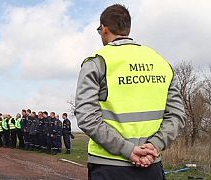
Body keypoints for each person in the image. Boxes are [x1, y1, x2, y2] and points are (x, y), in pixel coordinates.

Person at [74, 4, 185, 180]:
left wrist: (128, 150)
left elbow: (86, 116)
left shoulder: (97, 62)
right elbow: (177, 115)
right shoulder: (161, 62)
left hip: (109, 165)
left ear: (104, 29)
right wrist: (155, 145)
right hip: (152, 165)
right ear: (128, 28)